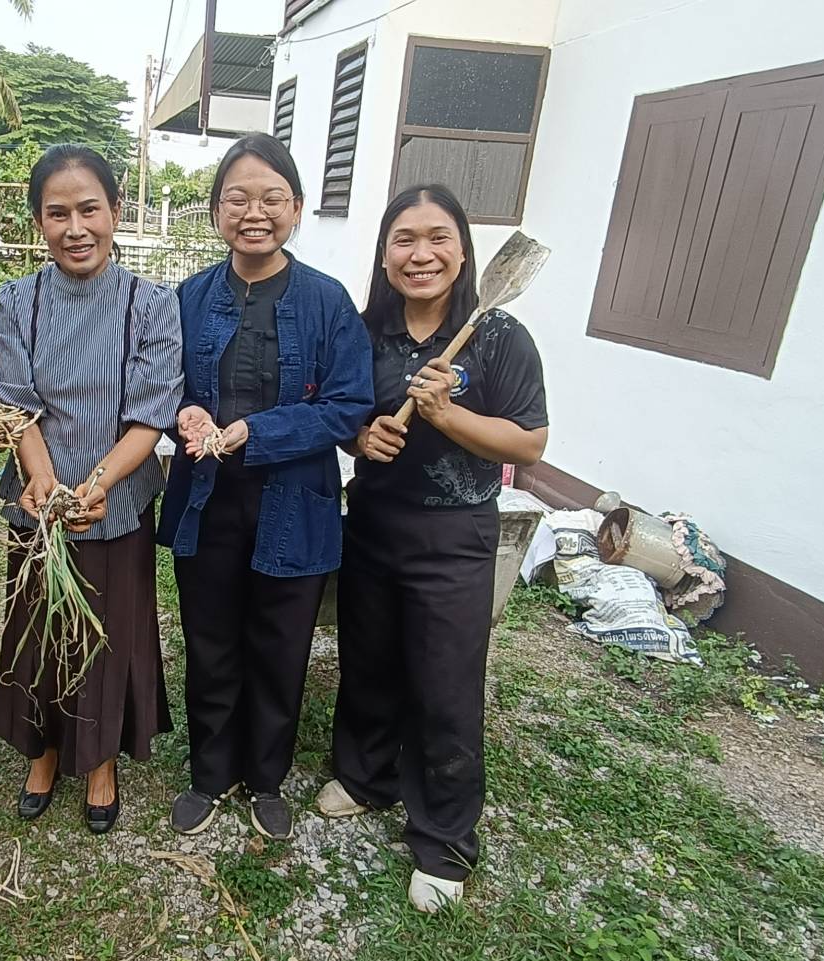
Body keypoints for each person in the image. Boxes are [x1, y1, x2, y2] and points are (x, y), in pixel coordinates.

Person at [316, 185, 549, 913]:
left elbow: (531, 443)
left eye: (438, 237)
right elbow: (345, 413)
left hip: (456, 532)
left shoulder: (499, 335)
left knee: (446, 682)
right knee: (369, 659)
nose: (421, 254)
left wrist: (447, 415)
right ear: (385, 256)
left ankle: (444, 836)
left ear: (464, 251)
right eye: (404, 239)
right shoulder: (364, 333)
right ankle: (364, 776)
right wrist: (361, 435)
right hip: (376, 520)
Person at [158, 133, 373, 841]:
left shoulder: (326, 301)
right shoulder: (187, 297)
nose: (255, 211)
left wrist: (260, 431)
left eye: (272, 197)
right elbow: (161, 388)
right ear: (217, 210)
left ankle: (267, 776)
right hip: (207, 498)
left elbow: (347, 408)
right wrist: (184, 411)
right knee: (210, 638)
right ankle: (210, 773)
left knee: (280, 645)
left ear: (298, 208)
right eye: (238, 198)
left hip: (293, 502)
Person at [0, 146, 182, 834]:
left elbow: (151, 413)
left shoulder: (151, 304)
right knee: (39, 625)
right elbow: (16, 403)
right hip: (38, 496)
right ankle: (41, 750)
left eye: (89, 209)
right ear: (39, 220)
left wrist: (94, 485)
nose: (76, 227)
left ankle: (100, 760)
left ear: (116, 212)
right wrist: (44, 480)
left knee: (111, 629)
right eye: (58, 212)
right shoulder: (17, 301)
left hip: (118, 497)